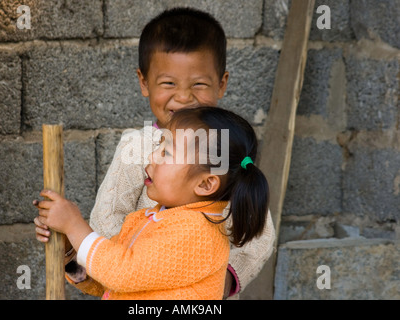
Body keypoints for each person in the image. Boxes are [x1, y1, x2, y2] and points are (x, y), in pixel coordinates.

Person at [34, 7, 276, 299]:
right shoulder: (135, 148)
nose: (184, 97)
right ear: (144, 82)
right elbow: (110, 227)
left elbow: (258, 236)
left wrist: (212, 282)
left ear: (221, 83)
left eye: (199, 84)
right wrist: (73, 246)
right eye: (168, 83)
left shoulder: (225, 150)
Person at [34, 106, 270, 300]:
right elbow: (109, 279)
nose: (152, 156)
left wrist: (75, 226)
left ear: (206, 184)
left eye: (166, 152)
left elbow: (121, 272)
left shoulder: (198, 234)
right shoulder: (150, 219)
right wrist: (70, 248)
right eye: (158, 146)